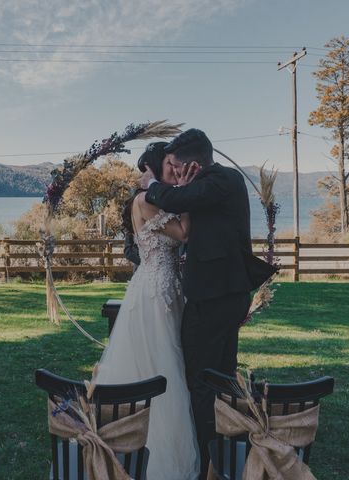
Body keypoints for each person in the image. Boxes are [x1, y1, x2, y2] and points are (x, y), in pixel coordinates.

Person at [141, 129, 277, 478]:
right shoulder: (212, 184)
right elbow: (185, 204)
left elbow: (172, 200)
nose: (174, 172)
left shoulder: (221, 179)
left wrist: (150, 184)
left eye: (176, 166)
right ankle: (228, 450)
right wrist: (178, 189)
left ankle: (204, 461)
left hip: (213, 299)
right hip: (222, 297)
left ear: (193, 165)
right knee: (220, 376)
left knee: (200, 381)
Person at [96, 141, 200, 480]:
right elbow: (183, 233)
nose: (175, 170)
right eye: (169, 164)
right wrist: (187, 193)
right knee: (158, 361)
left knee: (173, 358)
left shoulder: (157, 199)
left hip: (168, 288)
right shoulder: (144, 201)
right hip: (153, 291)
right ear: (157, 166)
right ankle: (156, 455)